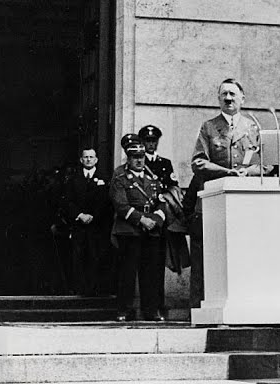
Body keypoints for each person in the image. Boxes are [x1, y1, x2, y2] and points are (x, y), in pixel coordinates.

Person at [185, 78, 262, 308]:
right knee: (207, 258)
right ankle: (199, 308)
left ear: (242, 99)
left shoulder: (253, 127)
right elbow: (198, 162)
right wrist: (227, 172)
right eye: (224, 95)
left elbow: (265, 165)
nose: (229, 99)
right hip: (214, 203)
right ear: (219, 99)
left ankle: (244, 305)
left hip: (243, 203)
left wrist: (247, 173)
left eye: (233, 94)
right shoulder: (208, 127)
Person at [110, 134, 167, 322]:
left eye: (141, 158)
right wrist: (141, 220)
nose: (139, 161)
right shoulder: (120, 176)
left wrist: (156, 220)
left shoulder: (152, 177)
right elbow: (121, 205)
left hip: (151, 230)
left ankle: (150, 310)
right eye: (135, 158)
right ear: (129, 158)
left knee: (150, 273)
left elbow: (161, 202)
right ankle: (124, 310)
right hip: (130, 230)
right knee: (128, 272)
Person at [138, 124, 190, 318]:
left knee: (159, 264)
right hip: (145, 220)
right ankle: (147, 307)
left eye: (153, 141)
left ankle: (158, 306)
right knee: (145, 266)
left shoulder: (165, 164)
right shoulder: (137, 163)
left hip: (162, 221)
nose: (151, 145)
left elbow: (173, 189)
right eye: (147, 141)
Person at [61, 146, 111, 296]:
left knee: (96, 256)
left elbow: (107, 202)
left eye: (91, 157)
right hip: (79, 224)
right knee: (79, 256)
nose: (88, 160)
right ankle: (80, 289)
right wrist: (79, 215)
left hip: (97, 225)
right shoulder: (73, 179)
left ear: (96, 160)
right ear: (81, 160)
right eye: (86, 157)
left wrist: (94, 216)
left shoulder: (105, 178)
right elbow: (67, 201)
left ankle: (95, 289)